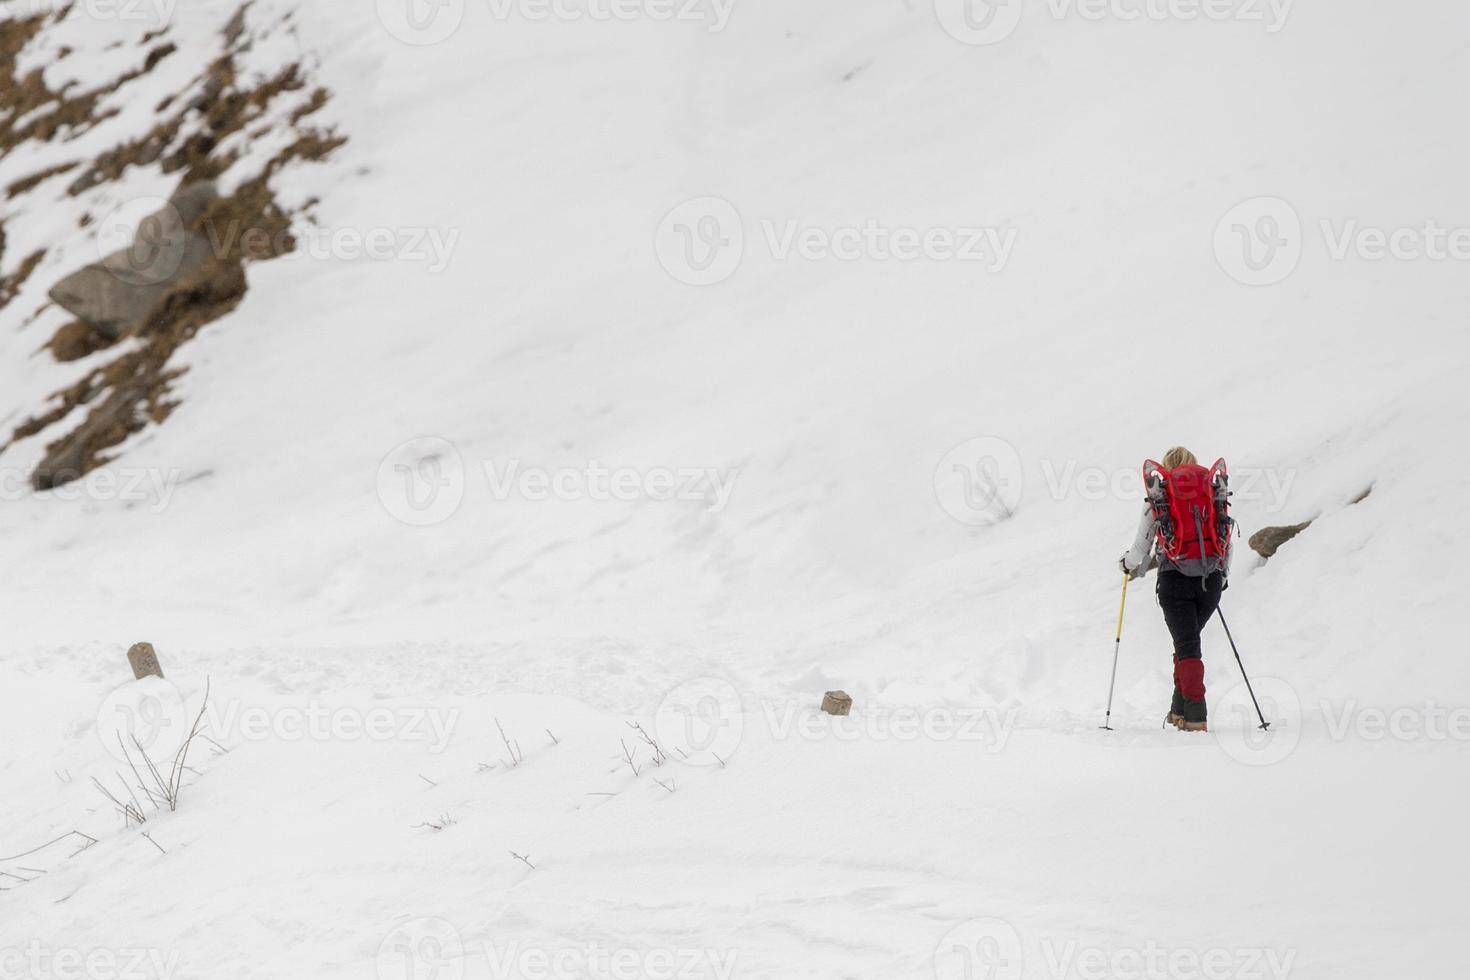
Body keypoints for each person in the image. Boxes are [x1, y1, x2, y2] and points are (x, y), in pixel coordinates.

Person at [1119, 447, 1230, 732]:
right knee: (1185, 644)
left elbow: (1141, 546)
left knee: (1187, 646)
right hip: (1211, 581)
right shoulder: (1210, 493)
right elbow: (1226, 535)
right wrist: (1223, 574)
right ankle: (1178, 711)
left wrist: (1126, 564)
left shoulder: (1161, 497)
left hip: (1175, 580)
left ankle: (1196, 716)